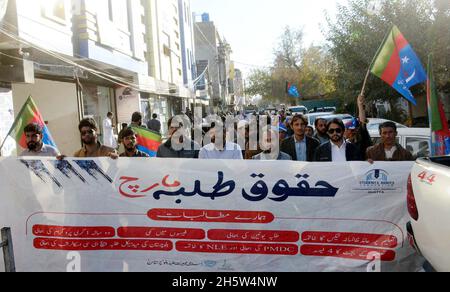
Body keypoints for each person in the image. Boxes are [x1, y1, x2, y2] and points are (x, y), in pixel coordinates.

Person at [345, 95, 373, 159]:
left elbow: (362, 122)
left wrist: (360, 105)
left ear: (353, 131)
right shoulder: (346, 143)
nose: (345, 131)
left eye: (347, 129)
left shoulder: (362, 140)